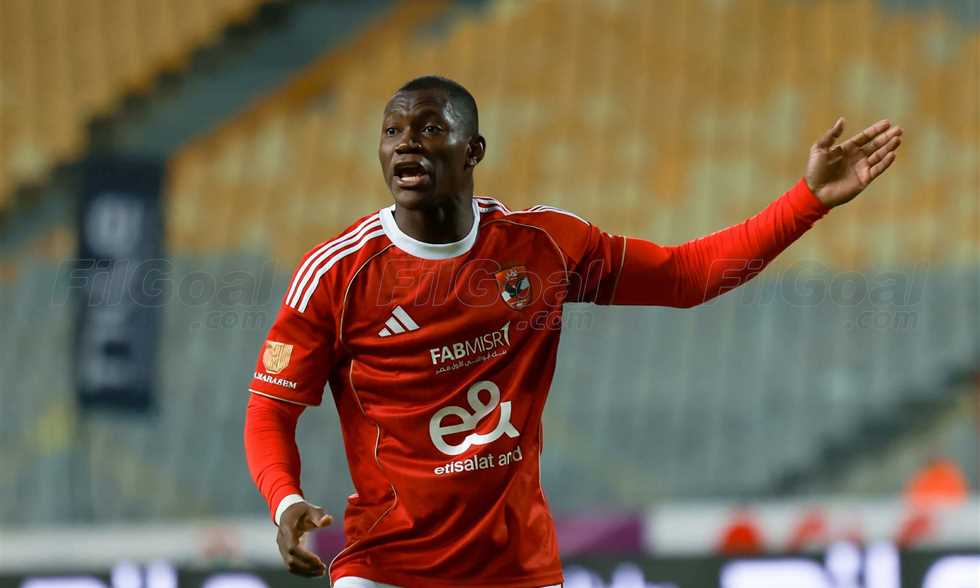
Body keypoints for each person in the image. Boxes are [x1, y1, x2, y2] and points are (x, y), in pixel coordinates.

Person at [243, 75, 903, 587]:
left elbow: (686, 276)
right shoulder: (338, 275)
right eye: (392, 131)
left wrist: (806, 201)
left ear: (473, 151)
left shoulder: (541, 247)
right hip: (387, 566)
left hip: (517, 568)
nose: (406, 143)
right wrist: (285, 500)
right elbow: (270, 408)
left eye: (429, 128)